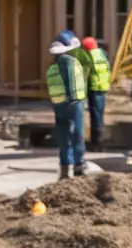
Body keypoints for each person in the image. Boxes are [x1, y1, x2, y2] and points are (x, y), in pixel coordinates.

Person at [46, 30, 87, 179]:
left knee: (63, 136)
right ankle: (79, 165)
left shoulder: (52, 66)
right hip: (73, 103)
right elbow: (71, 82)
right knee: (77, 134)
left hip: (59, 105)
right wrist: (74, 100)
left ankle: (64, 167)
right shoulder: (68, 61)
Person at [78, 36, 111, 149]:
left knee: (95, 117)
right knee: (99, 116)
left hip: (93, 89)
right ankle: (98, 141)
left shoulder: (88, 57)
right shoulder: (102, 54)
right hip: (102, 88)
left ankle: (96, 144)